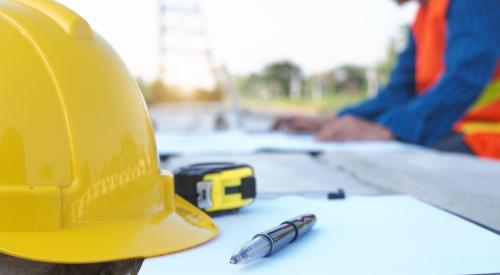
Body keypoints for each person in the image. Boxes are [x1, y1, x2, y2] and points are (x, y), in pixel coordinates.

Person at [273, 0, 500, 159]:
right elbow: (399, 91)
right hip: (460, 132)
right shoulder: (424, 17)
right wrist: (334, 121)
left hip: (490, 138)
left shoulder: (473, 3)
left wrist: (390, 129)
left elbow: (465, 78)